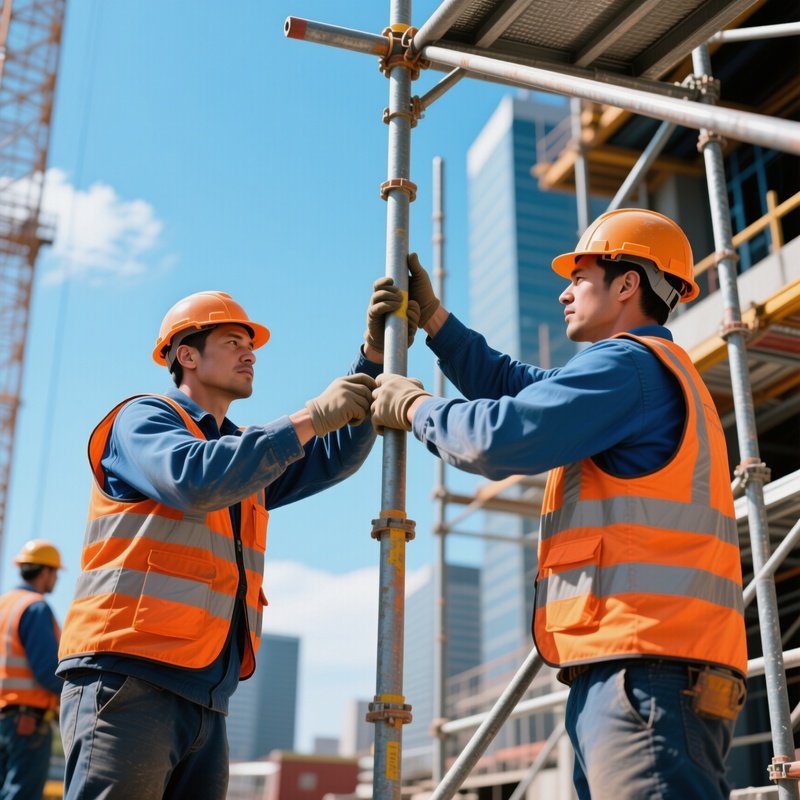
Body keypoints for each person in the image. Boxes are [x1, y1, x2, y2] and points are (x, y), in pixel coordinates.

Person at [371, 209, 747, 800]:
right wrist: (438, 323)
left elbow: (502, 436)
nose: (565, 292)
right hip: (649, 667)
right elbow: (521, 386)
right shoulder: (647, 371)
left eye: (581, 277)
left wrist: (416, 407)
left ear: (628, 284)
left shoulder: (628, 367)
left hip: (645, 667)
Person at [57, 286, 417, 800]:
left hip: (206, 691)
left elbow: (331, 457)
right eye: (231, 341)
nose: (249, 353)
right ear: (186, 354)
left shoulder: (245, 455)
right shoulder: (144, 418)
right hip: (128, 680)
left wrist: (374, 358)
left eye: (250, 345)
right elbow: (192, 478)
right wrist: (311, 415)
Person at [0, 540, 63, 800]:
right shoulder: (35, 608)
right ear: (46, 572)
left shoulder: (5, 605)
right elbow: (48, 671)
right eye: (56, 573)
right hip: (27, 722)